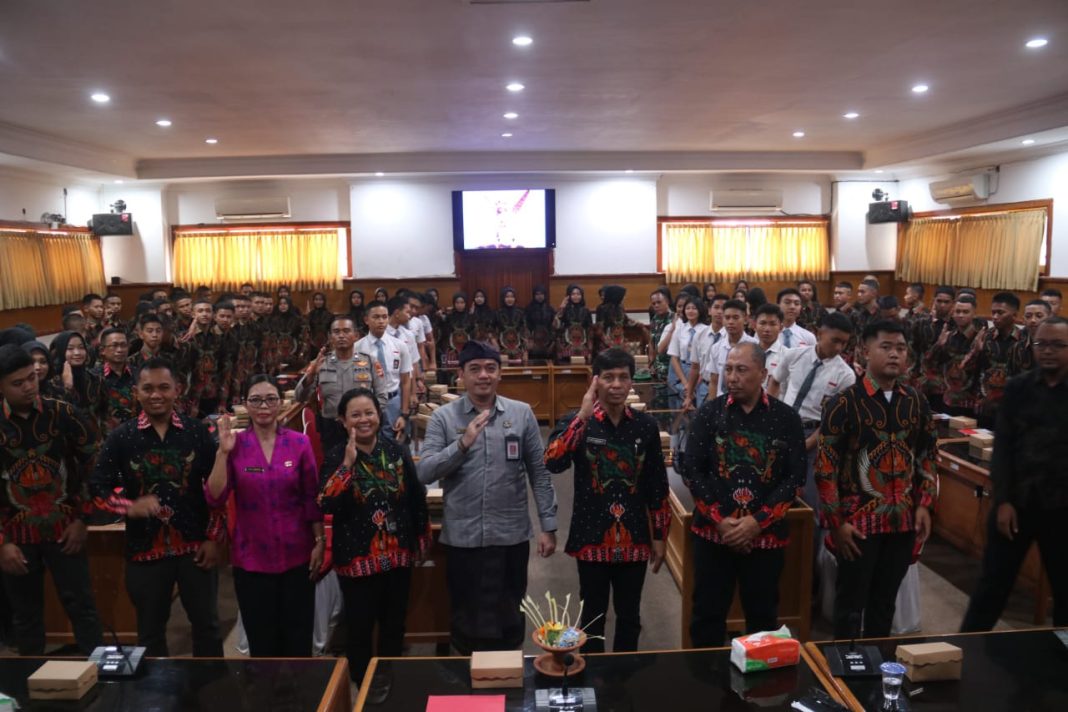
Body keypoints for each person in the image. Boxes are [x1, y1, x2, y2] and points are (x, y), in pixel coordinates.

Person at [417, 340, 558, 654]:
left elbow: (539, 471)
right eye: (475, 369)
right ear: (461, 375)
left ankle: (507, 680)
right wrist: (462, 444)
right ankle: (470, 684)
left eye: (490, 368)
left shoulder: (521, 415)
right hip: (463, 537)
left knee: (510, 612)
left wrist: (548, 526)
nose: (484, 375)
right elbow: (424, 471)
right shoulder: (443, 417)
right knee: (466, 613)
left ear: (499, 374)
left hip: (510, 535)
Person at [90, 357, 226, 657]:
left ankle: (213, 694)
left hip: (195, 548)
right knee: (150, 635)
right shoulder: (121, 437)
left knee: (208, 628)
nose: (156, 395)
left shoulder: (196, 432)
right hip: (144, 550)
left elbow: (217, 492)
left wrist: (213, 538)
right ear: (136, 392)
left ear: (177, 390)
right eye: (148, 388)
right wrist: (129, 506)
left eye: (164, 387)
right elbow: (97, 487)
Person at [815, 320, 938, 639]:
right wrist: (836, 522)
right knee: (851, 606)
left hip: (903, 522)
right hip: (857, 525)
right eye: (886, 347)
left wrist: (924, 504)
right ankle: (843, 673)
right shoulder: (844, 403)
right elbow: (825, 468)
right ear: (865, 351)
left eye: (900, 348)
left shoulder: (916, 401)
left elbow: (926, 454)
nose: (895, 355)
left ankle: (879, 673)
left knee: (885, 604)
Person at [544, 348, 670, 653]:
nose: (616, 384)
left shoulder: (645, 425)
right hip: (592, 535)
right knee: (592, 616)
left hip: (634, 534)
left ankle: (623, 682)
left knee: (630, 616)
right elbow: (553, 462)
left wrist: (660, 535)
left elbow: (657, 483)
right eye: (609, 377)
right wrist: (583, 416)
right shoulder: (577, 420)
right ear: (594, 381)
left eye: (623, 377)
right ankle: (593, 680)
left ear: (631, 383)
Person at [684, 342, 806, 647]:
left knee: (762, 618)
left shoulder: (785, 418)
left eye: (741, 370)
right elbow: (692, 471)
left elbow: (795, 479)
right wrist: (721, 521)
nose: (732, 377)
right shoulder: (709, 413)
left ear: (763, 374)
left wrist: (757, 522)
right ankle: (705, 687)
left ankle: (758, 691)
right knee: (706, 616)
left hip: (764, 538)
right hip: (714, 535)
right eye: (728, 369)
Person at [960, 317, 1068, 631]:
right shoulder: (1019, 388)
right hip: (1016, 505)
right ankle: (968, 648)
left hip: (1062, 508)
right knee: (992, 585)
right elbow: (1004, 448)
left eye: (1057, 345)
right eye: (1041, 344)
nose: (1047, 351)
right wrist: (1003, 500)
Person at [206, 375, 324, 657]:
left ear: (280, 403)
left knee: (297, 640)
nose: (263, 406)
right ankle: (266, 699)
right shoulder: (235, 445)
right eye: (255, 399)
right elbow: (214, 496)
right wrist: (222, 453)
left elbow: (311, 497)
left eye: (270, 399)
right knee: (263, 643)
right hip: (251, 561)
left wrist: (320, 540)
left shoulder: (298, 443)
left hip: (297, 557)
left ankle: (300, 698)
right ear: (246, 404)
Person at [318, 387, 429, 682]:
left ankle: (389, 678)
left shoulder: (396, 451)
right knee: (359, 627)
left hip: (398, 555)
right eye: (355, 415)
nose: (364, 419)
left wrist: (420, 535)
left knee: (394, 625)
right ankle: (363, 683)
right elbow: (326, 502)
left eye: (369, 413)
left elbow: (416, 496)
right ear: (343, 420)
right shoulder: (335, 457)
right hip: (356, 560)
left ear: (379, 415)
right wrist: (347, 465)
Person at [0, 345, 104, 656]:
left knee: (83, 608)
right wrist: (2, 542)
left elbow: (94, 468)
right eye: (18, 383)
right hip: (16, 539)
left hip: (65, 530)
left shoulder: (64, 413)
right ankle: (31, 693)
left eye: (31, 378)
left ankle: (101, 682)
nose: (29, 386)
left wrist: (84, 519)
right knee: (26, 618)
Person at [295, 315, 386, 454]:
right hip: (331, 429)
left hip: (362, 428)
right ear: (330, 337)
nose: (341, 336)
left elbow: (382, 396)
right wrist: (311, 375)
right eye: (336, 332)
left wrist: (371, 420)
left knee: (363, 469)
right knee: (335, 472)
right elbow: (300, 397)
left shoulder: (370, 361)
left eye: (346, 331)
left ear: (356, 335)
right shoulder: (320, 363)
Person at [966, 292, 1026, 428]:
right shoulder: (985, 336)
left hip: (1011, 408)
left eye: (1000, 313)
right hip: (984, 405)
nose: (995, 317)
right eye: (993, 312)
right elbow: (967, 369)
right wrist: (976, 352)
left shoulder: (1023, 340)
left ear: (1015, 315)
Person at [355, 302, 411, 442]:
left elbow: (405, 381)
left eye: (384, 317)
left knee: (395, 443)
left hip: (393, 401)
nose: (381, 321)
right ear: (366, 319)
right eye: (376, 317)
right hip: (368, 403)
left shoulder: (400, 346)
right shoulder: (357, 348)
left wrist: (404, 414)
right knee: (370, 443)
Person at [922, 295, 982, 416]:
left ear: (974, 314)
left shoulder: (980, 337)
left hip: (970, 402)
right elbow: (928, 363)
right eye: (957, 311)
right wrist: (938, 345)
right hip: (947, 399)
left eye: (965, 312)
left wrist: (977, 352)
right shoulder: (948, 336)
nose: (960, 315)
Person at [696, 299, 758, 404]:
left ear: (745, 319)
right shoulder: (716, 347)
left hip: (746, 401)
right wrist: (713, 406)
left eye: (735, 318)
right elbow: (714, 381)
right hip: (722, 402)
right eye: (727, 318)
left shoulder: (754, 346)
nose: (730, 322)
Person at [180, 300, 234, 417]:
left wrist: (223, 402)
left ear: (213, 315)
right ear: (193, 314)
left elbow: (225, 372)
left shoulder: (218, 340)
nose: (204, 314)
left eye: (208, 311)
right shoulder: (184, 337)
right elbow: (180, 367)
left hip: (212, 395)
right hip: (189, 397)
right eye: (200, 311)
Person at [92, 327, 136, 434]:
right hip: (108, 436)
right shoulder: (94, 377)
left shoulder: (139, 373)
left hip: (138, 433)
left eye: (123, 345)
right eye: (114, 345)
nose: (120, 350)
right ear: (102, 350)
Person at [668, 295, 710, 407]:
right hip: (682, 372)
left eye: (694, 308)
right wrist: (686, 383)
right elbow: (674, 357)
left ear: (700, 310)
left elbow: (706, 360)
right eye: (688, 308)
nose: (690, 311)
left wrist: (695, 384)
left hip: (700, 372)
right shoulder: (680, 329)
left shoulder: (706, 330)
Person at [49, 331, 102, 412]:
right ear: (61, 351)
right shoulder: (52, 384)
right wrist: (67, 386)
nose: (77, 353)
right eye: (70, 348)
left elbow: (104, 409)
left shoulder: (94, 378)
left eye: (81, 347)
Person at [264, 296, 310, 373]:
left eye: (285, 303)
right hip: (277, 357)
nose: (283, 306)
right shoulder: (272, 320)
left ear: (290, 305)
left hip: (295, 356)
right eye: (280, 304)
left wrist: (300, 355)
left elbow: (304, 339)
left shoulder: (298, 320)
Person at [555, 284, 594, 364]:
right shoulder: (565, 310)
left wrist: (590, 348)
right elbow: (555, 326)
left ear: (582, 296)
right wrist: (561, 308)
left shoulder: (586, 310)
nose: (576, 296)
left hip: (583, 342)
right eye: (573, 294)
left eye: (578, 294)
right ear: (568, 296)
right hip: (567, 342)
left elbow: (589, 330)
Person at [752, 304, 785, 389]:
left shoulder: (787, 356)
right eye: (762, 323)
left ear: (781, 327)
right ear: (754, 326)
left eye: (772, 324)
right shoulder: (747, 353)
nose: (767, 329)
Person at [495, 287, 528, 365]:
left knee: (519, 373)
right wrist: (496, 348)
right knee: (504, 372)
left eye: (512, 296)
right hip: (501, 348)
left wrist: (525, 352)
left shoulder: (520, 313)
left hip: (518, 349)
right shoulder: (497, 313)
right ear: (503, 298)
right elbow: (493, 332)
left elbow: (525, 333)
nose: (510, 299)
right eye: (507, 297)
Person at [441, 292, 473, 368]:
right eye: (457, 302)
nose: (459, 305)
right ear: (454, 304)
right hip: (452, 349)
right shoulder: (449, 317)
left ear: (465, 303)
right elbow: (446, 334)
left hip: (468, 349)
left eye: (462, 302)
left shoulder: (470, 317)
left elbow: (472, 333)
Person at [647, 287, 673, 381]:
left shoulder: (674, 319)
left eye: (659, 302)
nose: (656, 305)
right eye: (653, 303)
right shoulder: (655, 319)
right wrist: (651, 363)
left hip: (670, 366)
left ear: (667, 302)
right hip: (657, 367)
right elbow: (651, 341)